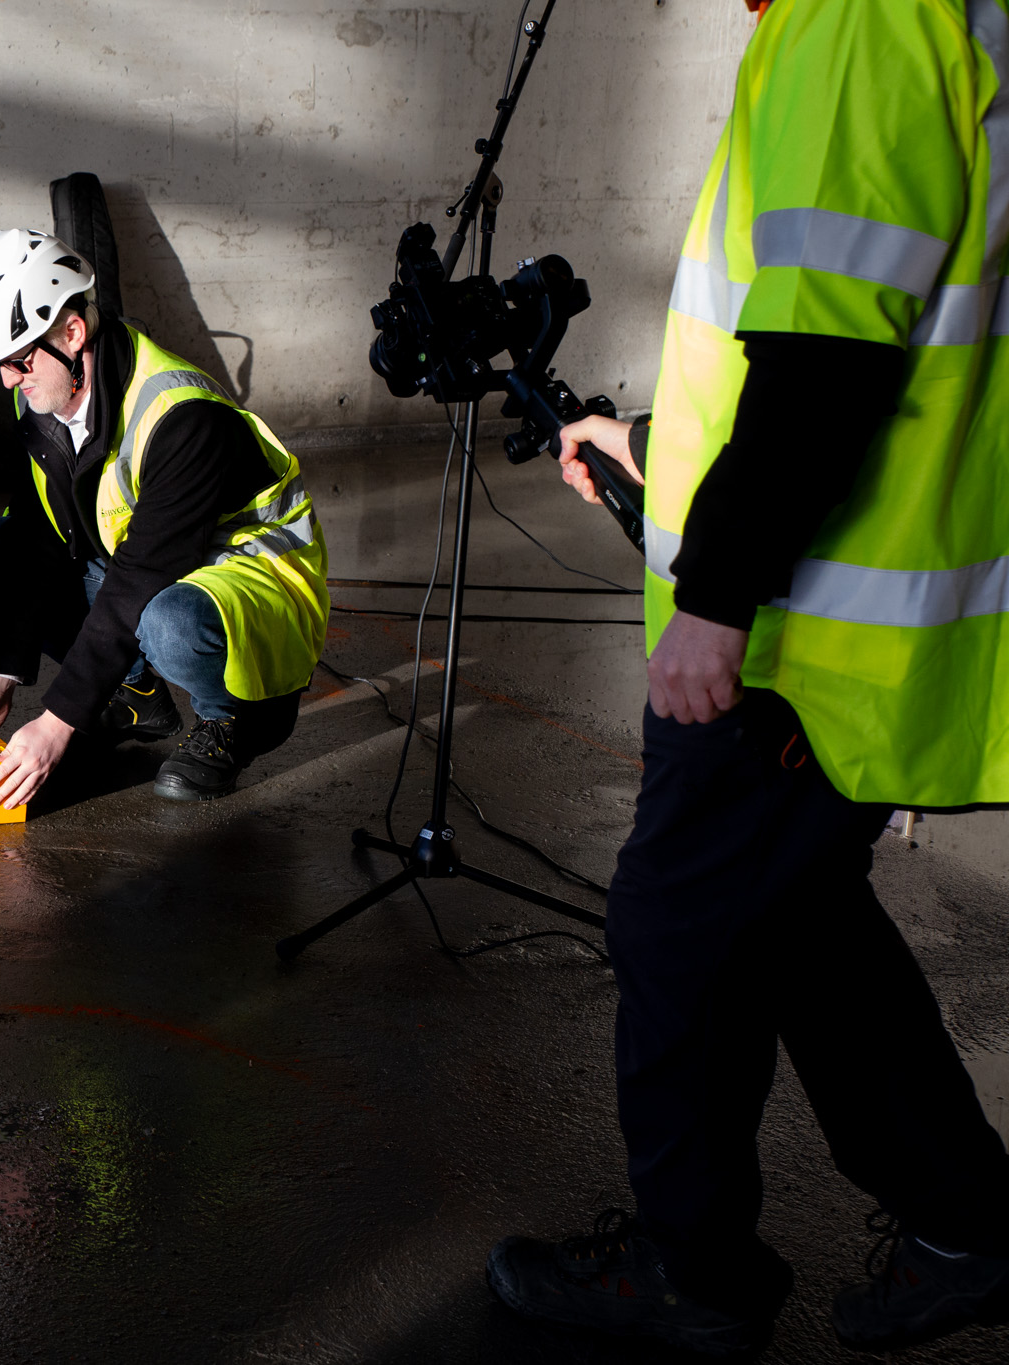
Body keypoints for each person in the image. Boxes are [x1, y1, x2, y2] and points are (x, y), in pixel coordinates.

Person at [486, 0, 1009, 1355]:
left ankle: (695, 1273)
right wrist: (656, 442)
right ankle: (971, 1224)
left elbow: (829, 351)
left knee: (678, 922)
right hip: (842, 586)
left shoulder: (859, 17)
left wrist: (717, 593)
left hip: (800, 625)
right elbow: (856, 319)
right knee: (797, 921)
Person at [0, 229, 330, 808]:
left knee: (168, 621)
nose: (7, 381)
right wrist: (2, 682)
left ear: (72, 333)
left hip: (251, 580)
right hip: (152, 560)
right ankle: (134, 690)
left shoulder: (182, 415)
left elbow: (139, 578)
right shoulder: (43, 392)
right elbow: (35, 536)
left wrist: (57, 722)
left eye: (16, 362)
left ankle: (238, 720)